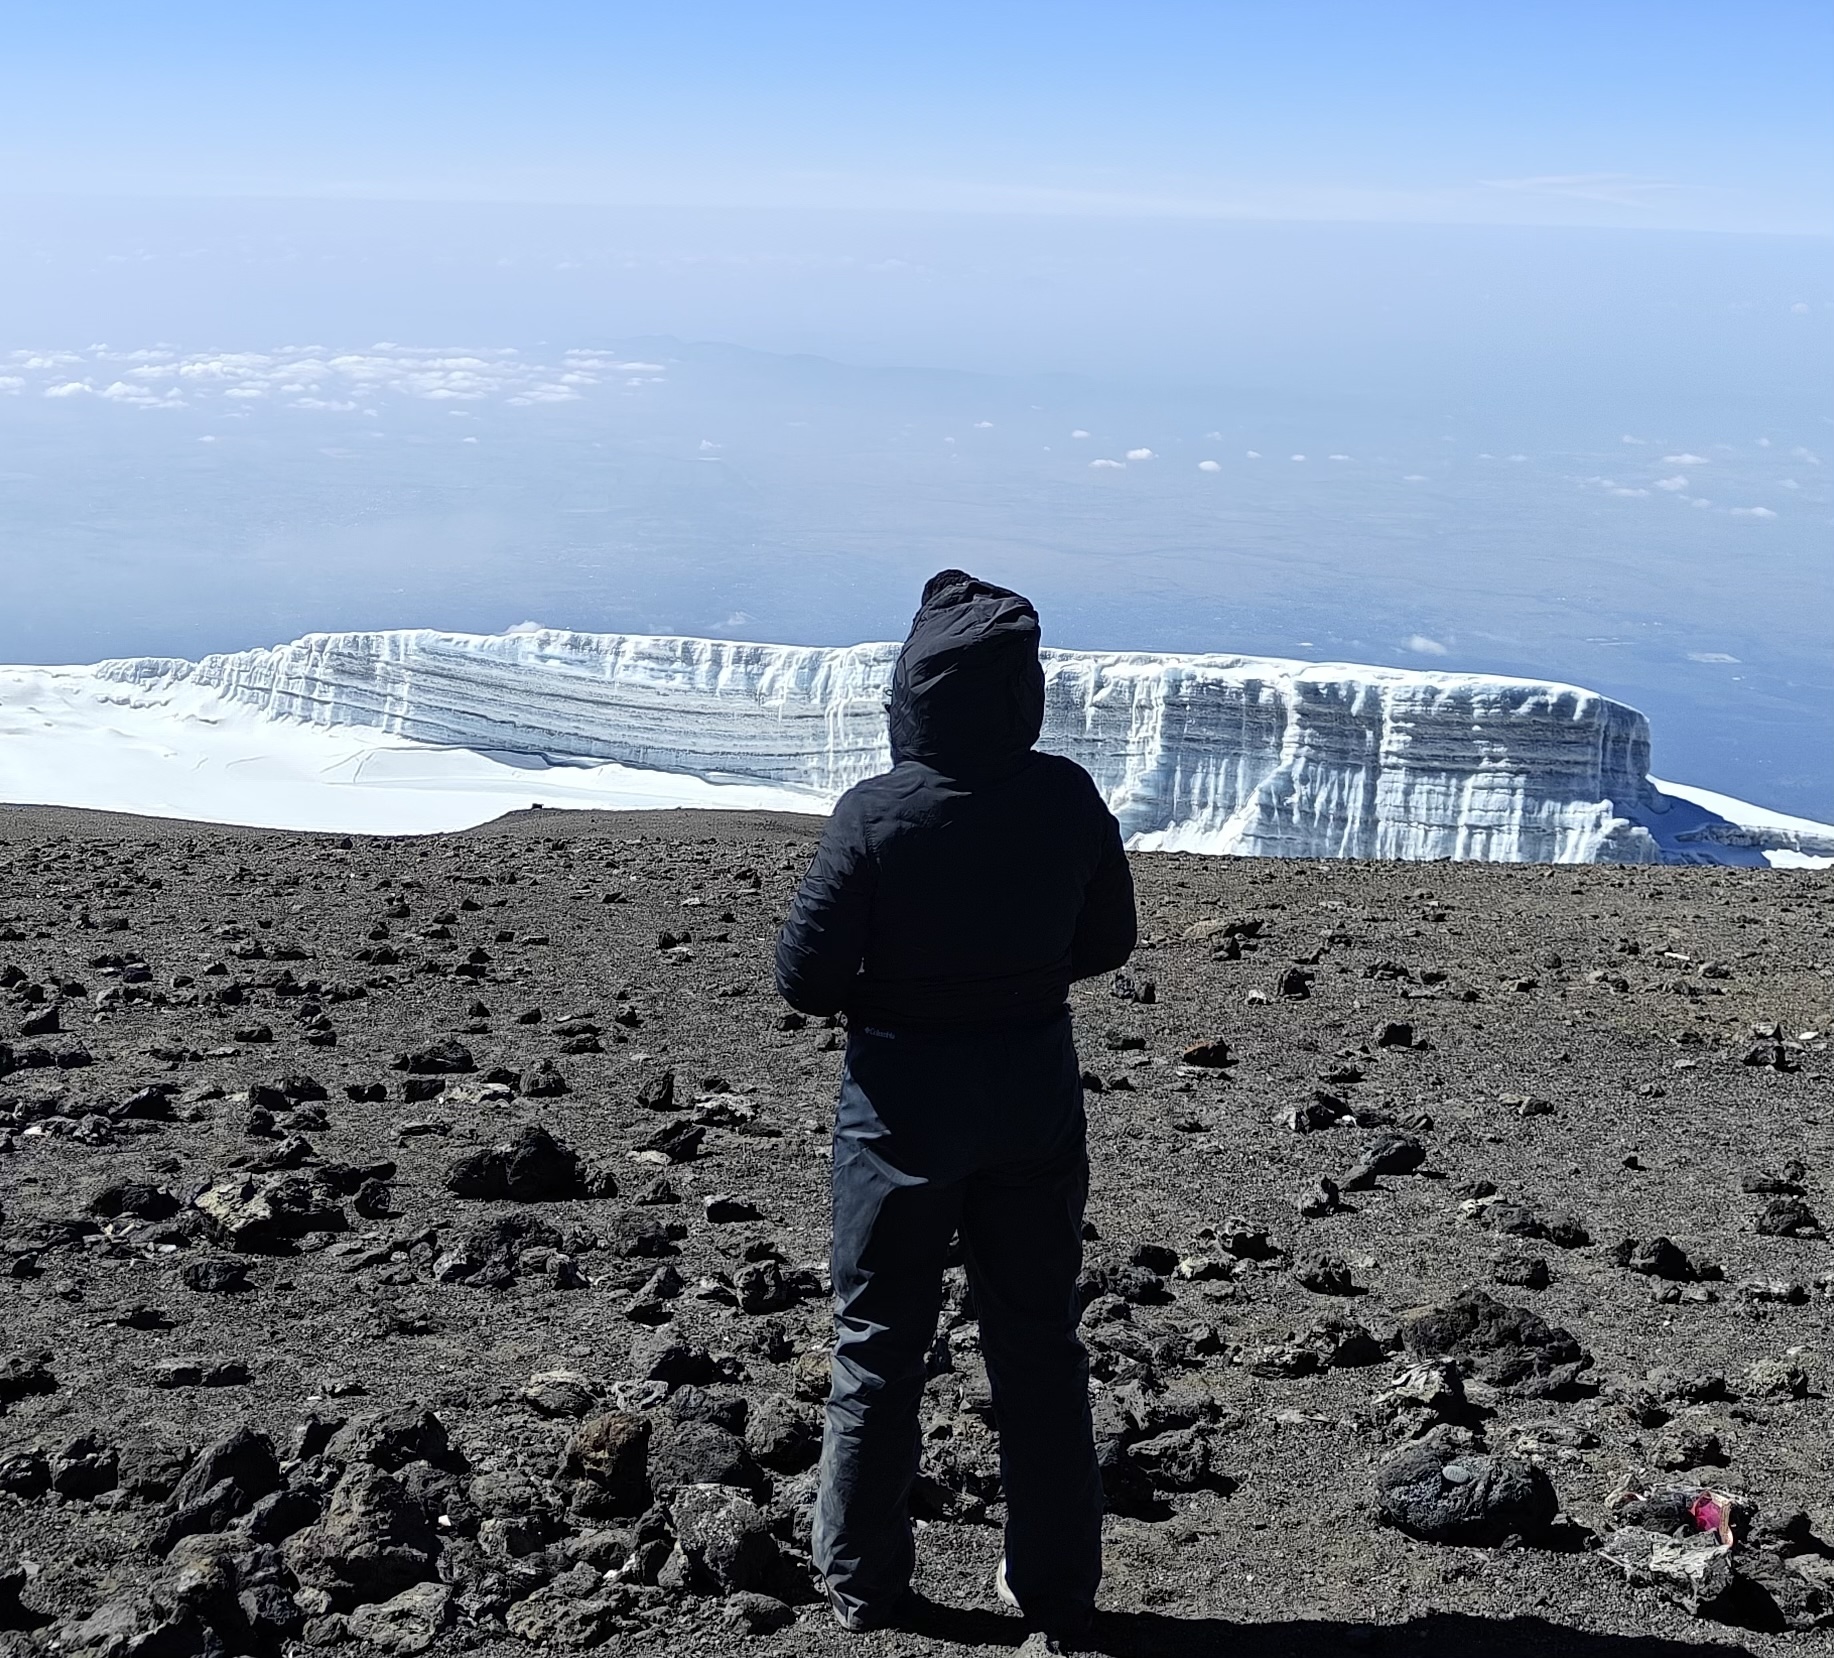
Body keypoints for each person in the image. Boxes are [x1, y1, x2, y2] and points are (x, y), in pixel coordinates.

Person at [774, 570, 1138, 1649]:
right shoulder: (1064, 795)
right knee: (1036, 1341)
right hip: (1030, 1089)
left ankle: (865, 1583)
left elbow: (804, 975)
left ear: (912, 693)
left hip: (898, 1107)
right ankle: (1058, 1593)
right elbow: (1106, 944)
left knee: (878, 1343)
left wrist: (898, 994)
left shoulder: (877, 814)